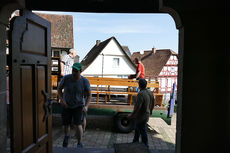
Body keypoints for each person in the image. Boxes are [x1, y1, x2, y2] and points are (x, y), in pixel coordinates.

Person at [58, 62, 91, 148]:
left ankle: (79, 142)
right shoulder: (66, 78)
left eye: (76, 71)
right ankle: (66, 137)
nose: (73, 72)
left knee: (78, 124)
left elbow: (89, 95)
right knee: (66, 124)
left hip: (79, 105)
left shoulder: (85, 81)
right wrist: (62, 100)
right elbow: (59, 89)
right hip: (67, 105)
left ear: (80, 71)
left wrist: (86, 106)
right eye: (73, 70)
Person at [127, 79, 155, 148]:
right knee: (138, 128)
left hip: (140, 116)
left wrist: (132, 115)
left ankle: (145, 145)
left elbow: (137, 107)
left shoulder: (140, 94)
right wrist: (151, 110)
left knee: (142, 130)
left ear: (139, 85)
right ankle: (135, 141)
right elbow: (153, 103)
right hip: (146, 114)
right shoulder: (150, 92)